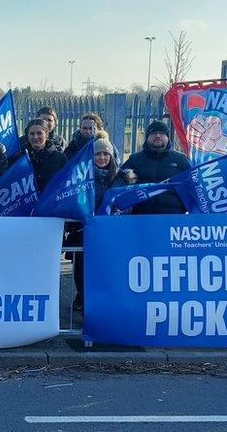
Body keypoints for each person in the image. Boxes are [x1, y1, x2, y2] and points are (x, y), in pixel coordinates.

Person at [70, 138, 125, 312]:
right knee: (82, 266)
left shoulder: (122, 176)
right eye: (97, 154)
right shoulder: (81, 175)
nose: (101, 158)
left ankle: (108, 302)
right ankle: (83, 296)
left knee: (107, 268)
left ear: (111, 155)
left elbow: (127, 202)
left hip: (111, 231)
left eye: (105, 154)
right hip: (86, 229)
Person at [119, 120, 191, 214]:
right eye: (153, 133)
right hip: (141, 218)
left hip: (174, 218)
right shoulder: (134, 159)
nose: (158, 135)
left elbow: (193, 186)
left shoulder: (181, 159)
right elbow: (119, 184)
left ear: (168, 137)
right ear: (147, 137)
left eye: (161, 133)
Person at [24, 118, 67, 191]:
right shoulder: (21, 158)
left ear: (46, 134)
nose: (35, 137)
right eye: (32, 133)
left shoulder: (60, 158)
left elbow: (66, 182)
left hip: (52, 201)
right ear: (28, 136)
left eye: (39, 133)